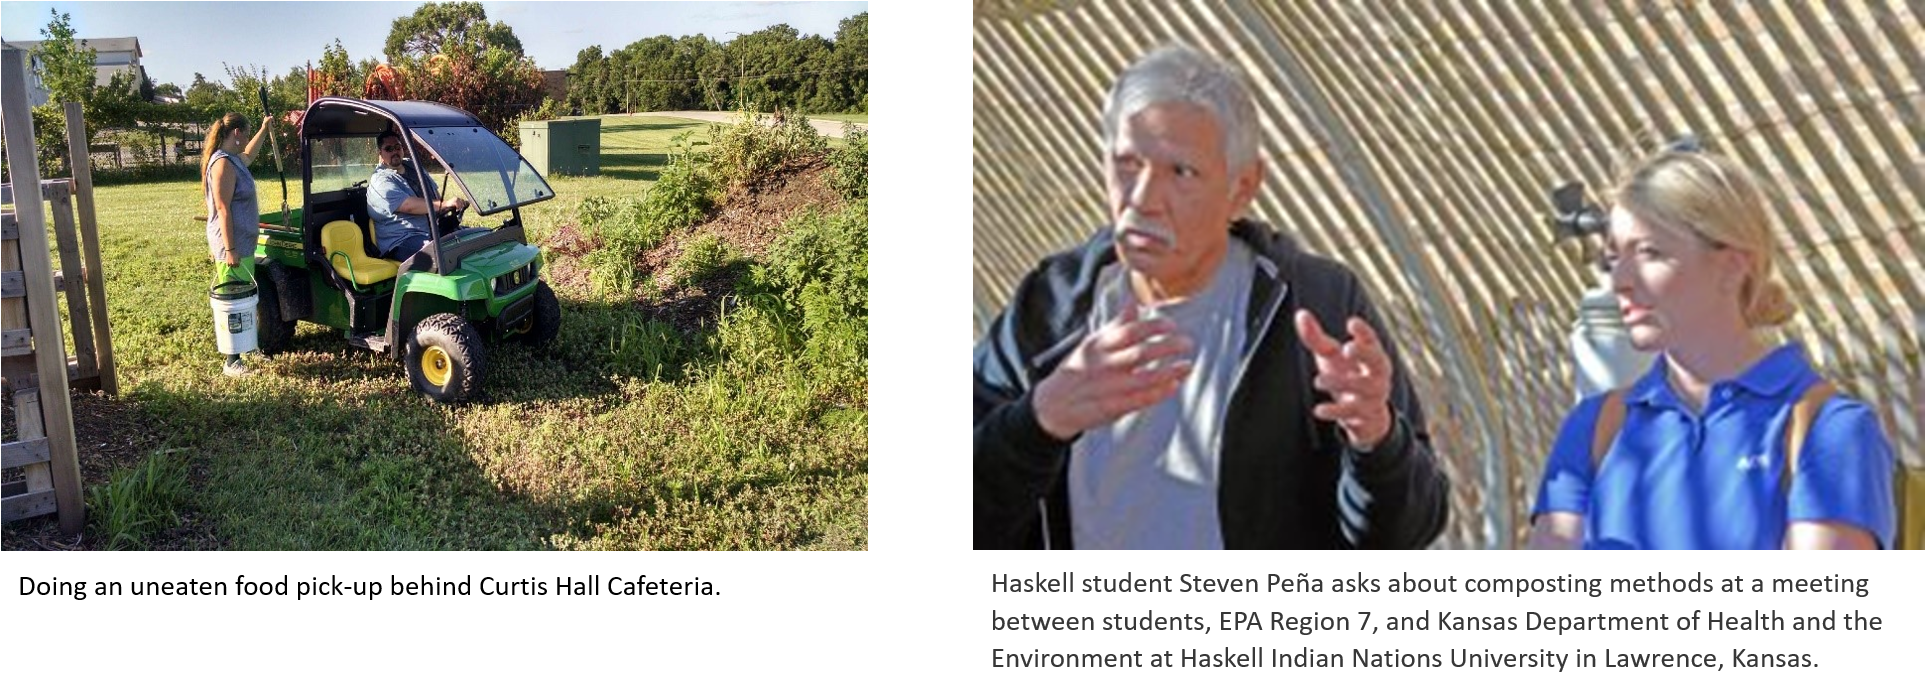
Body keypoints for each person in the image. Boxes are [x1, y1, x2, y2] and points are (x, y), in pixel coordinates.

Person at [971, 44, 1448, 550]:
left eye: (1181, 172)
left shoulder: (1314, 304)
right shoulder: (1052, 309)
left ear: (1242, 189)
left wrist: (1375, 438)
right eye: (1128, 164)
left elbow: (1405, 532)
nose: (1142, 199)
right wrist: (1040, 420)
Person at [1528, 148, 1897, 550]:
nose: (1620, 280)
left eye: (1650, 252)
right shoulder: (1594, 427)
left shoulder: (1829, 431)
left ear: (1733, 265)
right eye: (1613, 257)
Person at [202, 112, 270, 377]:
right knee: (234, 301)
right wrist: (230, 250)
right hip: (233, 247)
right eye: (248, 131)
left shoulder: (234, 160)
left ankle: (247, 347)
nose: (247, 139)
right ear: (237, 133)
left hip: (242, 244)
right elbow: (222, 209)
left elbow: (250, 155)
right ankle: (232, 361)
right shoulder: (222, 165)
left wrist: (264, 129)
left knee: (246, 300)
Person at [368, 129, 469, 269]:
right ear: (380, 154)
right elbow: (407, 205)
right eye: (389, 149)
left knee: (474, 239)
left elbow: (434, 193)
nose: (394, 152)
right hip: (403, 240)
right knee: (441, 256)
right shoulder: (380, 179)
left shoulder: (412, 165)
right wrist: (444, 204)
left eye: (397, 147)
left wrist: (446, 211)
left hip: (432, 230)